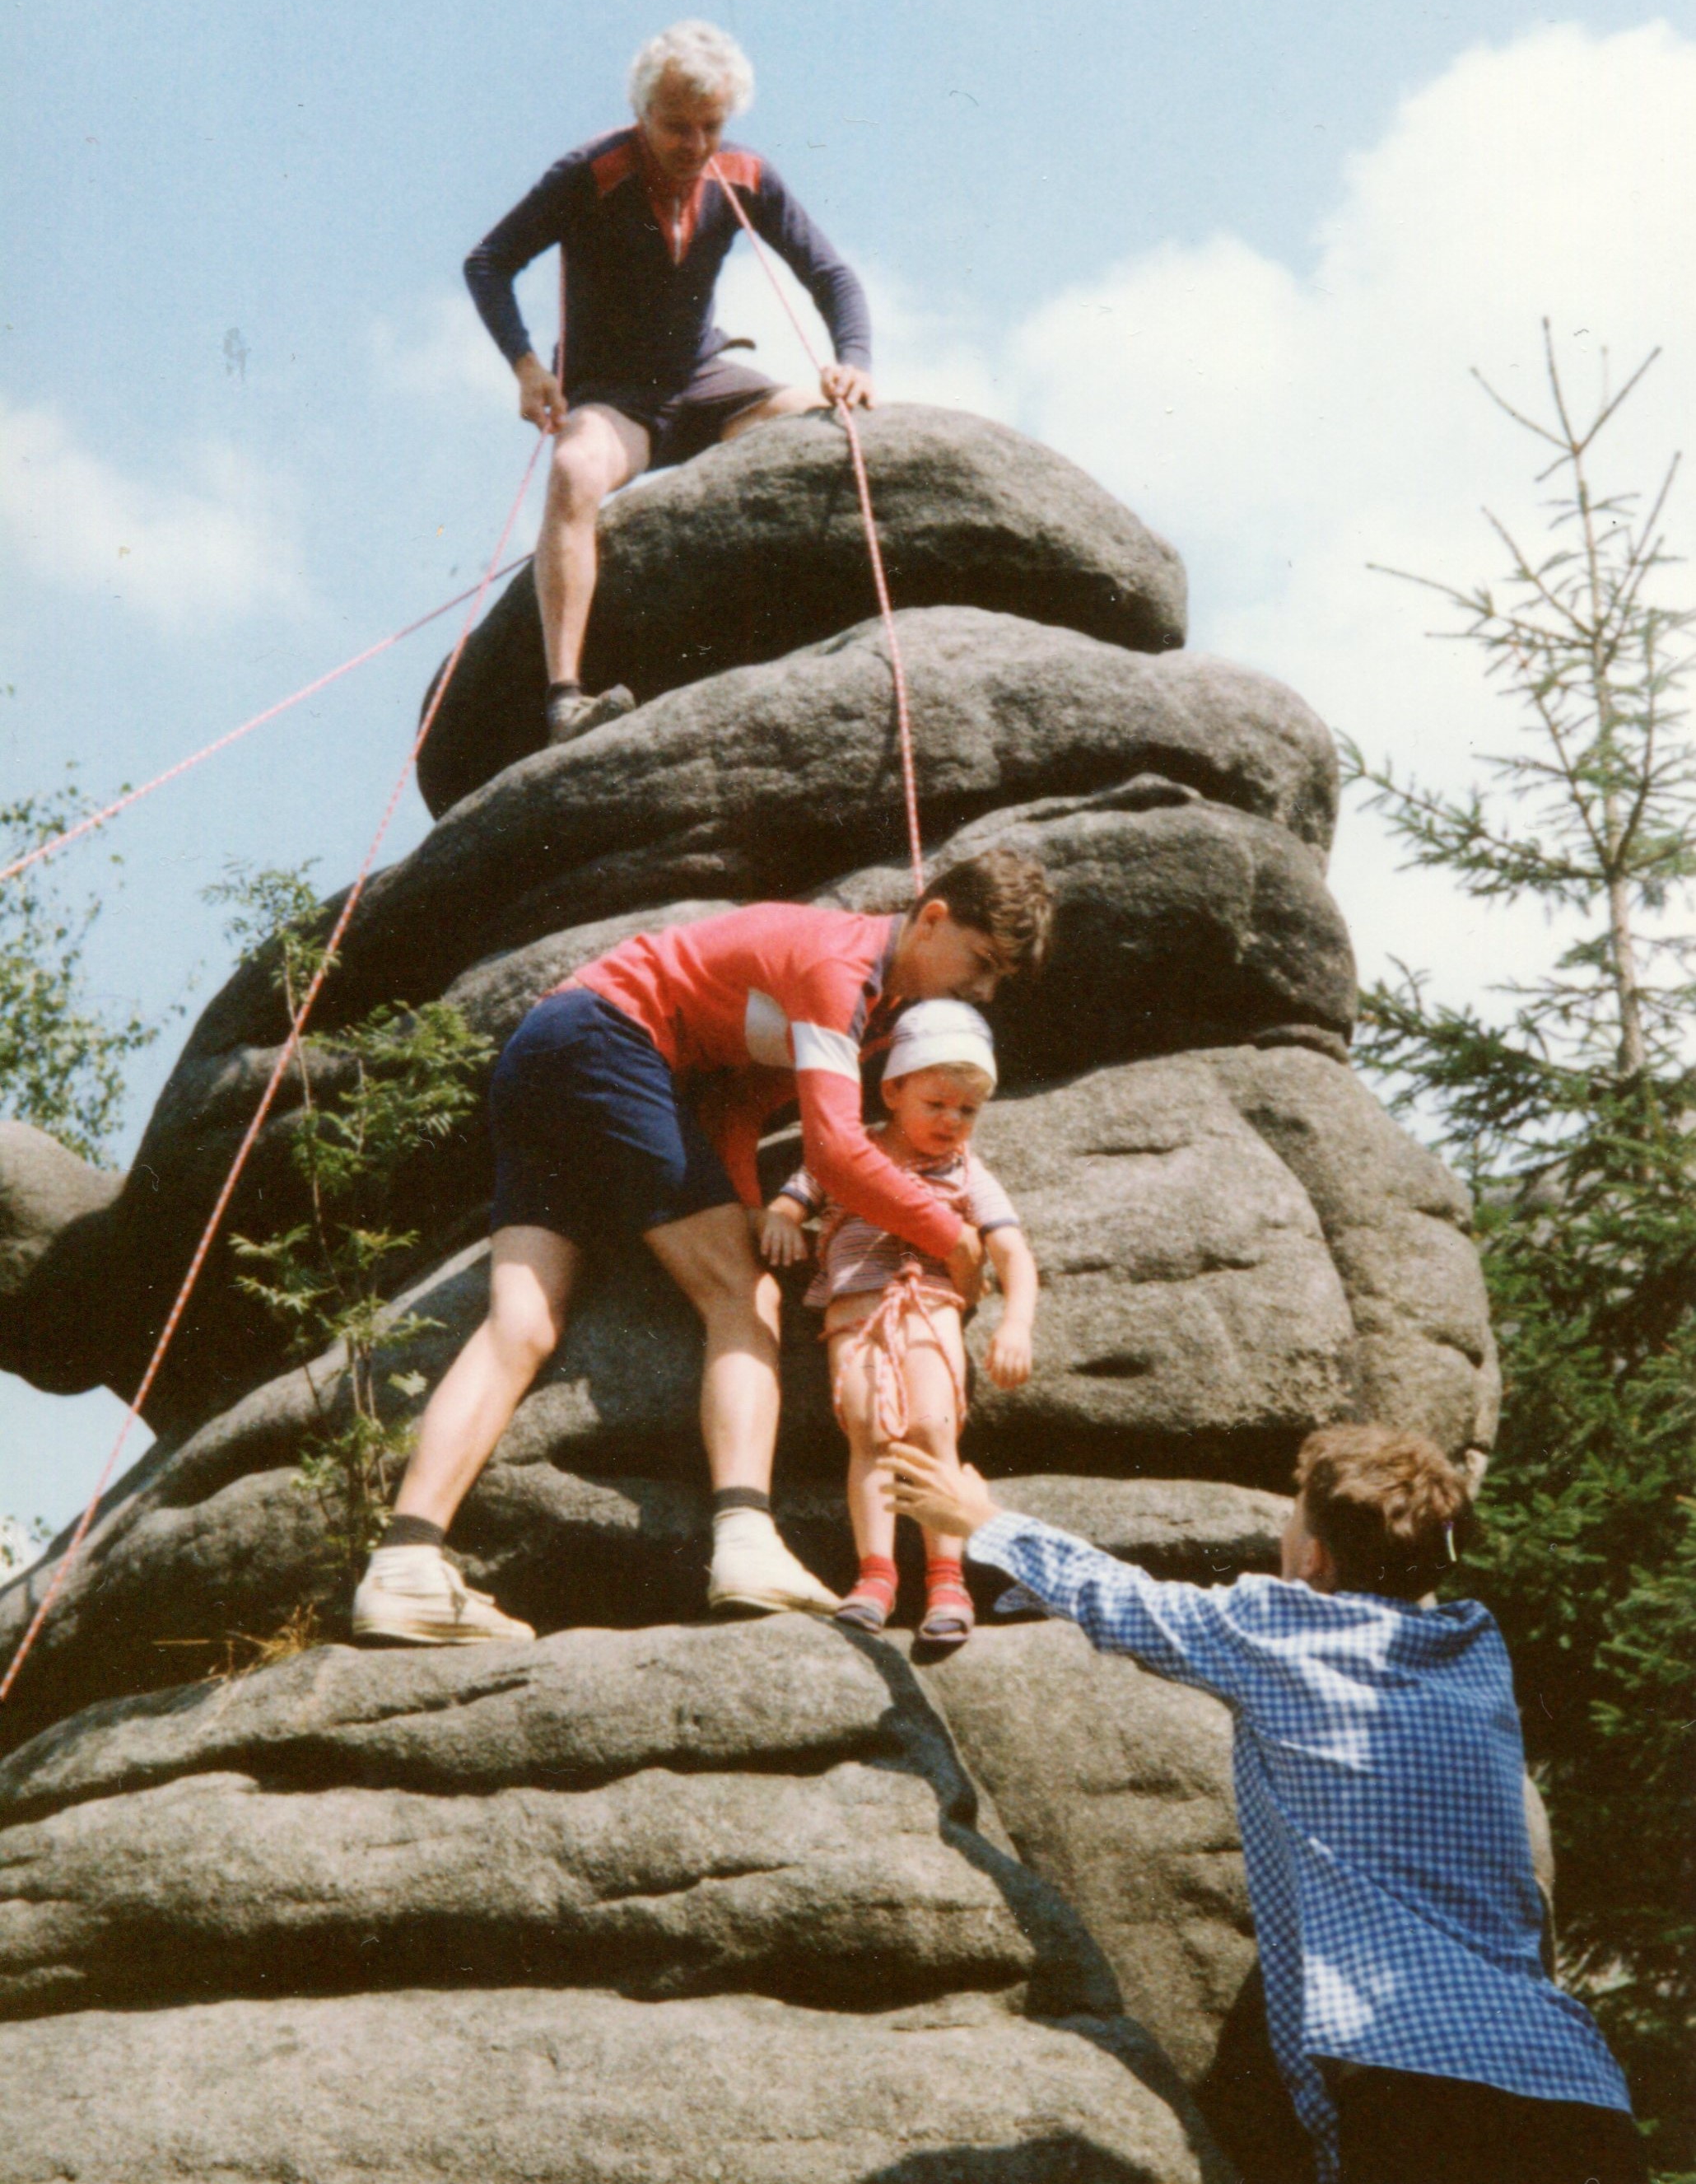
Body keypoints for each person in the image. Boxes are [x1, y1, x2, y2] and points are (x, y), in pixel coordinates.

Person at [886, 1422, 1646, 2184]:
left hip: (1417, 2086)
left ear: (1313, 1556)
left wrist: (982, 1521)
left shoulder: (1280, 1628)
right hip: (1574, 2083)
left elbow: (1126, 1600)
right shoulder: (1476, 1648)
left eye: (1293, 1519)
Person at [351, 848, 1054, 1648]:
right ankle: (746, 1541)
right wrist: (950, 1236)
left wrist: (749, 1208)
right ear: (932, 917)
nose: (983, 990)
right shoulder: (841, 969)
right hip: (608, 1038)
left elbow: (740, 1104)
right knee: (742, 1296)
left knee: (522, 1322)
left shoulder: (876, 1006)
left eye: (998, 978)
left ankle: (402, 1565)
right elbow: (832, 1153)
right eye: (980, 961)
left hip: (544, 1049)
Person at [464, 20, 875, 744]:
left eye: (711, 126)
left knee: (836, 424)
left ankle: (837, 621)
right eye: (677, 126)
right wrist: (527, 367)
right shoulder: (591, 173)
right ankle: (566, 700)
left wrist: (854, 361)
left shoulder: (745, 174)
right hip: (615, 398)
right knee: (573, 469)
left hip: (706, 381)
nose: (695, 144)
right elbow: (489, 262)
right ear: (642, 112)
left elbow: (831, 275)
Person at [762, 999, 1037, 1645]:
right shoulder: (848, 1151)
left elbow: (1012, 1252)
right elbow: (792, 1199)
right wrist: (781, 1218)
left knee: (931, 1426)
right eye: (936, 1103)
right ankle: (876, 1574)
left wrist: (1016, 1324)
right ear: (893, 1091)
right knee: (868, 1429)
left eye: (967, 1110)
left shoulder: (965, 1171)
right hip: (854, 1311)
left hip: (929, 1305)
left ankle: (947, 1578)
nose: (952, 1121)